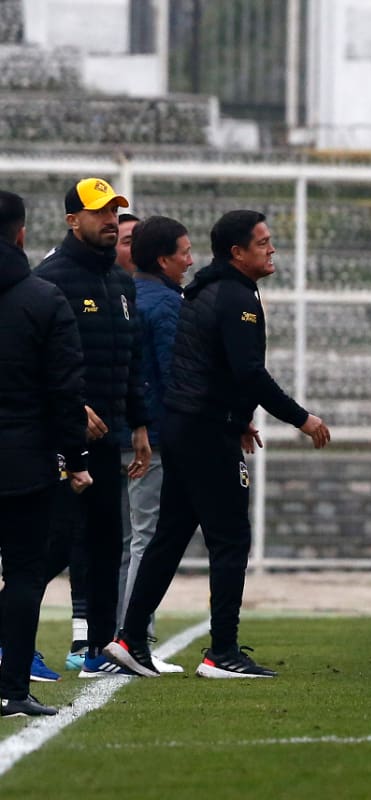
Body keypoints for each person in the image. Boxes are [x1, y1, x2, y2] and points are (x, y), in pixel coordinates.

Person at [106, 210, 331, 679]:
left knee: (169, 537)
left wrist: (242, 417)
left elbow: (213, 367)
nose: (272, 250)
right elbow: (248, 371)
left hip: (187, 428)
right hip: (208, 433)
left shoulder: (209, 289)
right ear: (238, 252)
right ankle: (222, 652)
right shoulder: (234, 296)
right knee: (230, 539)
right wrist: (302, 419)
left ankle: (128, 639)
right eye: (263, 243)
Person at [36, 178, 152, 678]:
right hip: (58, 440)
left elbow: (126, 360)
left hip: (108, 441)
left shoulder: (119, 282)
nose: (110, 219)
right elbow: (32, 358)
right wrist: (71, 408)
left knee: (108, 543)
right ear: (72, 220)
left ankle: (100, 650)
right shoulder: (50, 279)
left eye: (114, 211)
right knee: (51, 546)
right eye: (100, 212)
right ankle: (8, 642)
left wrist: (140, 424)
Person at [0, 190, 92, 718]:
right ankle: (12, 688)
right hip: (24, 463)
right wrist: (76, 460)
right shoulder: (42, 299)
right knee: (25, 575)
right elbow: (65, 390)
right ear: (21, 233)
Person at [114, 216, 194, 674]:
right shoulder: (165, 304)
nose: (190, 260)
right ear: (163, 259)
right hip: (152, 438)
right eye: (184, 252)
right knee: (147, 538)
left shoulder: (128, 295)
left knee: (128, 542)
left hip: (122, 434)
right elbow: (172, 377)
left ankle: (117, 635)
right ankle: (134, 640)